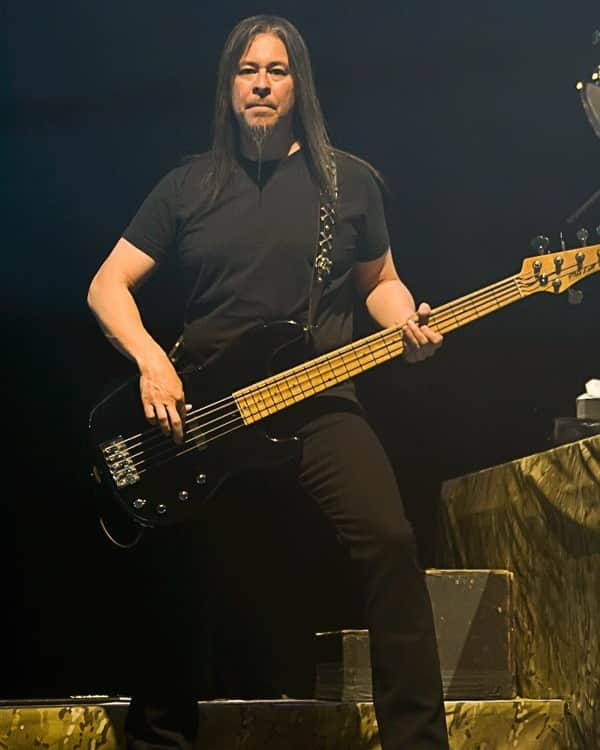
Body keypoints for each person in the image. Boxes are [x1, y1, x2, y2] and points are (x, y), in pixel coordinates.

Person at [86, 13, 449, 750]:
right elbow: (106, 286)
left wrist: (404, 320)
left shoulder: (348, 183)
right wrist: (154, 361)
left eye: (276, 71)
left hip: (319, 401)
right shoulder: (189, 186)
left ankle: (417, 740)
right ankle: (160, 738)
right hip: (204, 409)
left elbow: (379, 279)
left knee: (389, 540)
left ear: (298, 85)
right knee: (172, 561)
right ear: (227, 88)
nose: (260, 83)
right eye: (247, 71)